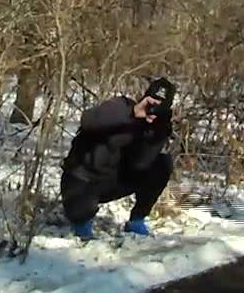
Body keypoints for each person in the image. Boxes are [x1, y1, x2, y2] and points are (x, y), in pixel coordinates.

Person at [60, 78, 176, 240]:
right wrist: (133, 114)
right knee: (80, 216)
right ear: (144, 97)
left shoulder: (154, 128)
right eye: (151, 101)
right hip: (81, 181)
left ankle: (137, 221)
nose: (153, 107)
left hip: (111, 181)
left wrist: (156, 133)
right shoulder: (121, 106)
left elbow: (141, 164)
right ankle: (82, 221)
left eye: (160, 104)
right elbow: (88, 120)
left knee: (162, 164)